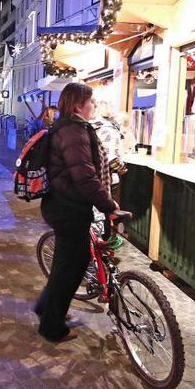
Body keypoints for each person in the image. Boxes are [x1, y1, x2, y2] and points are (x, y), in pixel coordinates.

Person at [35, 83, 118, 343]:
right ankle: (51, 326)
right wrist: (109, 205)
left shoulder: (67, 127)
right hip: (68, 208)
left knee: (68, 265)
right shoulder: (73, 130)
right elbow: (84, 176)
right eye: (91, 101)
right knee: (70, 268)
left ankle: (45, 309)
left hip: (63, 205)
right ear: (77, 105)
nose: (94, 106)